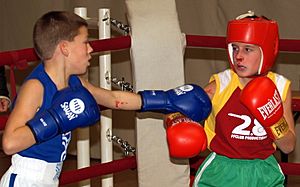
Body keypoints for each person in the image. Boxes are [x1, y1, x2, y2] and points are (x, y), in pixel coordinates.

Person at [0, 11, 211, 186]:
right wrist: (56, 119)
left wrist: (166, 101)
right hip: (25, 178)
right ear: (65, 48)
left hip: (49, 178)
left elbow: (113, 98)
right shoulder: (36, 86)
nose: (91, 48)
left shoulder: (75, 83)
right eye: (85, 43)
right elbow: (9, 143)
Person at [192, 11, 296, 187]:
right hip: (220, 171)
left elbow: (288, 146)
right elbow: (180, 108)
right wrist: (176, 120)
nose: (238, 56)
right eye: (235, 48)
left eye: (248, 49)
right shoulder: (220, 84)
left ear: (267, 50)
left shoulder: (279, 87)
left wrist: (272, 118)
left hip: (264, 171)